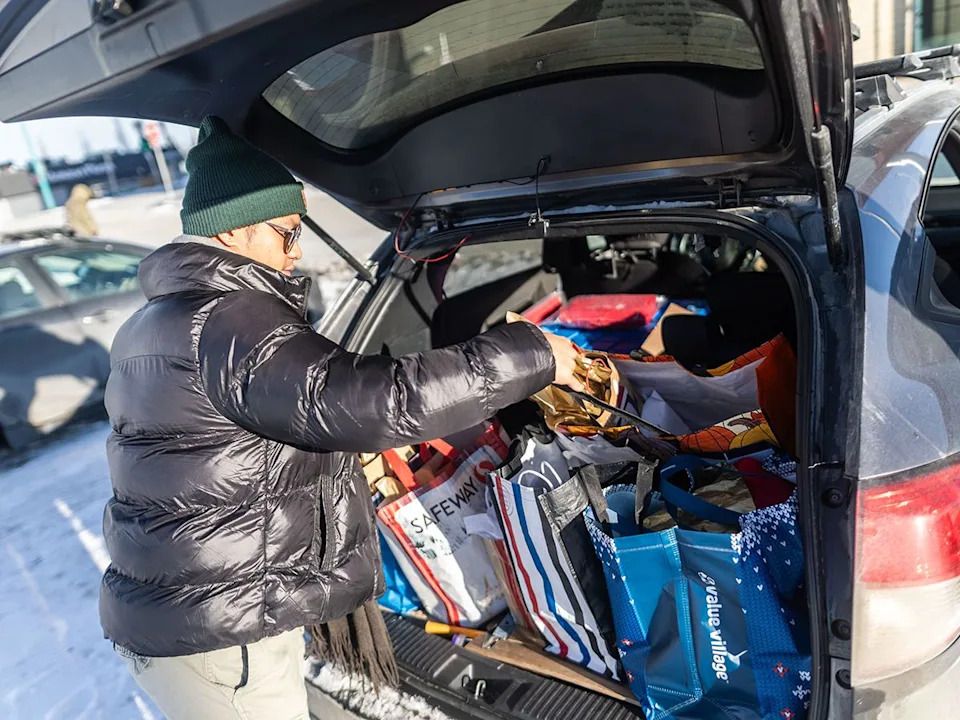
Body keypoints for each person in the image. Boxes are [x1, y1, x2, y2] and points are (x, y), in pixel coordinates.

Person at [101, 116, 583, 719]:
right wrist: (531, 353)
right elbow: (378, 402)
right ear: (234, 229)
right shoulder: (228, 322)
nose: (296, 252)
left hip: (185, 612)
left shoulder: (151, 322)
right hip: (222, 635)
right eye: (287, 234)